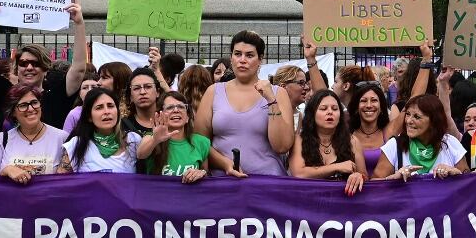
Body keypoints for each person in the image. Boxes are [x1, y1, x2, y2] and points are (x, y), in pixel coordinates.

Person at [0, 0, 91, 130]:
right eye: (23, 63)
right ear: (16, 68)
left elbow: (78, 69)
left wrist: (79, 23)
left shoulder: (56, 97)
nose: (29, 67)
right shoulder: (4, 93)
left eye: (36, 63)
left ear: (46, 68)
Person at [196, 31, 293, 176]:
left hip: (267, 182)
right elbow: (199, 142)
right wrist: (225, 163)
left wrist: (271, 100)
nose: (242, 60)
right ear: (231, 58)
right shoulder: (213, 92)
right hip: (223, 182)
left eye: (249, 55)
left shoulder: (278, 93)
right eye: (237, 54)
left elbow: (282, 146)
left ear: (260, 59)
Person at [140, 90, 243, 182]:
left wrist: (201, 173)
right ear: (160, 114)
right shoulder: (151, 137)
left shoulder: (201, 142)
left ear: (187, 117)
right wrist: (155, 140)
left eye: (181, 107)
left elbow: (206, 176)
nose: (176, 110)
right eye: (170, 107)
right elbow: (140, 154)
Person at [290, 90, 367, 194]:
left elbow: (364, 175)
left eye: (335, 109)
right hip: (309, 203)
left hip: (343, 204)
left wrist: (359, 176)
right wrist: (336, 167)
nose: (330, 112)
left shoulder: (353, 141)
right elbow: (299, 174)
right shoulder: (299, 140)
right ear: (312, 114)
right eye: (323, 108)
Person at [374, 94, 466, 180]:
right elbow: (373, 185)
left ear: (434, 121)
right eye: (408, 114)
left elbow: (469, 182)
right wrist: (394, 178)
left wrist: (456, 173)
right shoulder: (394, 145)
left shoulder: (450, 143)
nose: (409, 121)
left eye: (417, 117)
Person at [0, 84, 66, 182]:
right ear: (13, 112)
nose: (31, 109)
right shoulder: (2, 139)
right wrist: (6, 170)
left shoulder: (62, 137)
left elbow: (68, 181)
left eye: (34, 102)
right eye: (23, 105)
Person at [61, 88, 140, 173]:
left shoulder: (133, 140)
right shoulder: (76, 144)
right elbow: (61, 182)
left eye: (110, 106)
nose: (106, 112)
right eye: (99, 108)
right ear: (89, 117)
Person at [348, 82, 399, 177]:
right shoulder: (347, 134)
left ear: (381, 107)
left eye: (374, 100)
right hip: (354, 190)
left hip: (384, 190)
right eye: (363, 101)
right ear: (356, 107)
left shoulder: (389, 132)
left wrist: (425, 67)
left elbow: (414, 98)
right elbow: (322, 99)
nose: (368, 105)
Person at [123, 67, 163, 136]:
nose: (142, 92)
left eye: (148, 87)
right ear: (130, 96)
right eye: (136, 88)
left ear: (157, 92)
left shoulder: (169, 121)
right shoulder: (122, 127)